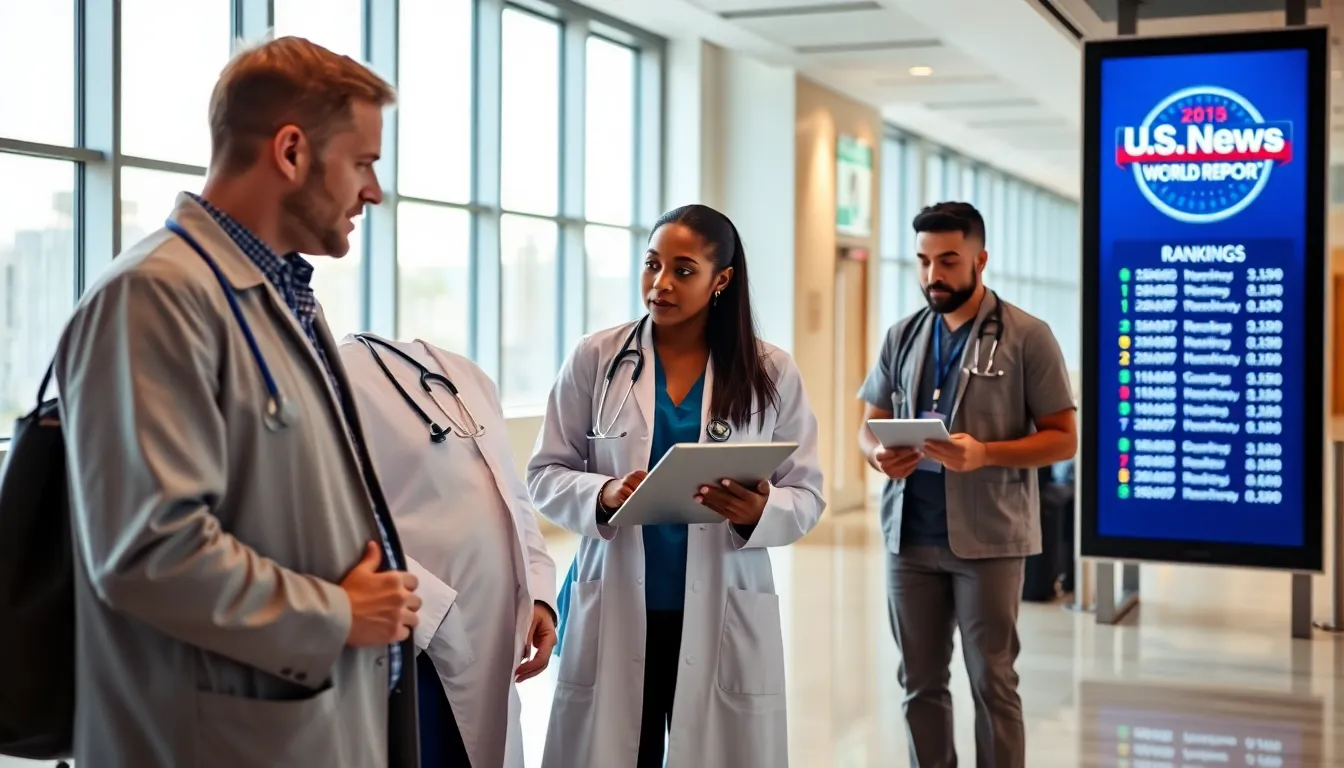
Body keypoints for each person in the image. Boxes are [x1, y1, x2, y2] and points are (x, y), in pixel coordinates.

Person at [50, 37, 420, 768]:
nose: (374, 191)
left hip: (315, 721)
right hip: (221, 739)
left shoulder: (285, 296)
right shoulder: (153, 295)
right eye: (364, 163)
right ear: (291, 152)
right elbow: (149, 550)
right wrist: (341, 613)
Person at [528, 203, 826, 768]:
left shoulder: (770, 370)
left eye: (683, 270)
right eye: (652, 265)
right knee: (615, 750)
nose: (660, 284)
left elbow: (806, 493)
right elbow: (545, 473)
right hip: (617, 597)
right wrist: (604, 494)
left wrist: (756, 510)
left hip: (720, 599)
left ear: (722, 279)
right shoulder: (597, 357)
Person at [856, 201, 1077, 768]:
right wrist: (880, 456)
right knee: (919, 683)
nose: (934, 275)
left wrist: (984, 454)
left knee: (992, 683)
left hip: (990, 541)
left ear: (981, 259)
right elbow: (865, 427)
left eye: (948, 261)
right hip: (910, 540)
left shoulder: (1028, 336)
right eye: (924, 261)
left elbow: (1063, 438)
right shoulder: (902, 335)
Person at [338, 332, 558, 768]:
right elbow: (343, 517)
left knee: (488, 745)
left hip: (495, 627)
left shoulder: (469, 377)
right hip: (416, 634)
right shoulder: (344, 378)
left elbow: (512, 497)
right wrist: (434, 613)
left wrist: (539, 595)